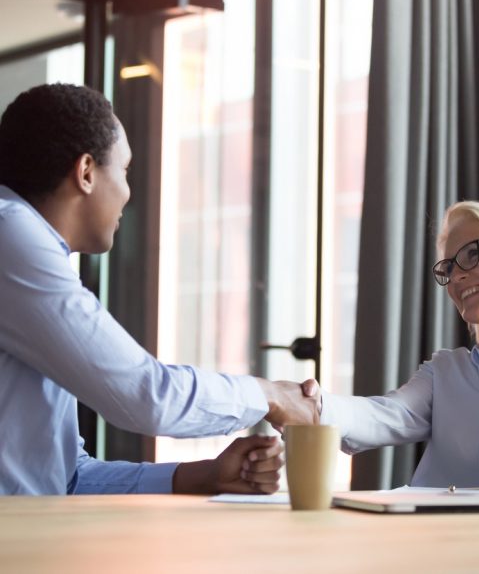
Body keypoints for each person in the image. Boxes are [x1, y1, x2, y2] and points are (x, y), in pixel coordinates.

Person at [0, 83, 320, 495]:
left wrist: (202, 475)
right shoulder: (12, 236)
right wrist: (270, 395)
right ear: (85, 173)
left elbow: (65, 477)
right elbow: (145, 395)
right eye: (126, 170)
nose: (128, 193)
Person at [318, 199, 479, 490]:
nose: (455, 276)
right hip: (434, 533)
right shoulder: (445, 372)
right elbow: (383, 415)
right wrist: (309, 403)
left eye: (471, 254)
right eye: (448, 267)